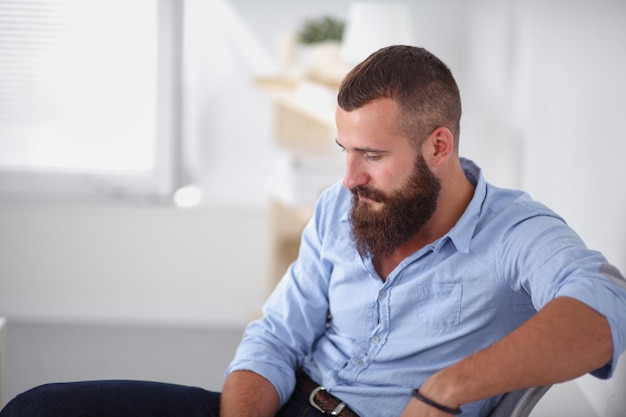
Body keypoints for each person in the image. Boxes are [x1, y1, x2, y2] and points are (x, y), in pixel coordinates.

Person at [2, 45, 626, 417]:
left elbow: (607, 308)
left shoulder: (515, 231)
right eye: (343, 150)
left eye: (372, 156)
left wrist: (446, 391)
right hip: (279, 405)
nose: (349, 177)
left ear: (440, 145)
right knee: (41, 408)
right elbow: (275, 336)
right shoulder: (340, 207)